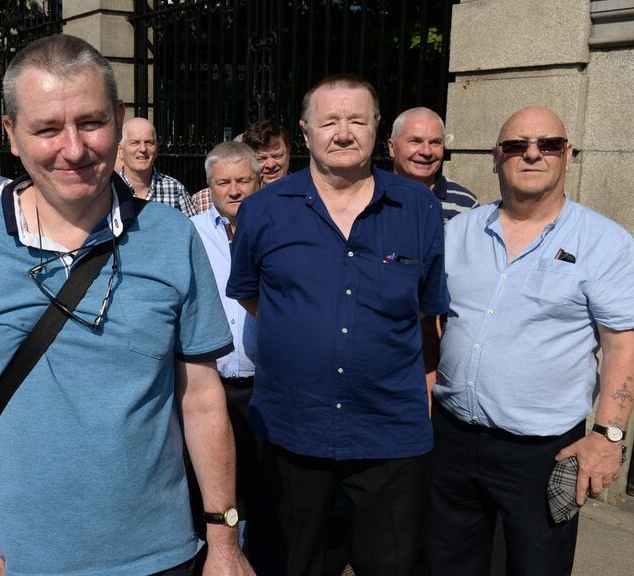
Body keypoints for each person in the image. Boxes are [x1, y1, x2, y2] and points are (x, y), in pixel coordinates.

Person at [0, 34, 253, 576]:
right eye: (46, 128)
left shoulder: (170, 236)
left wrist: (225, 539)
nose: (72, 149)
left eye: (90, 123)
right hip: (7, 559)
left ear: (118, 120)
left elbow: (202, 399)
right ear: (12, 136)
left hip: (158, 556)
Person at [226, 74, 448, 576]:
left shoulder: (418, 208)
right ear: (306, 133)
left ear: (376, 130)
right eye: (329, 121)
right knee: (292, 562)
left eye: (356, 120)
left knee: (389, 563)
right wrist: (303, 328)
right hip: (291, 427)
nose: (343, 133)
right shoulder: (262, 210)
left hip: (389, 428)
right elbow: (249, 293)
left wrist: (427, 391)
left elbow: (427, 309)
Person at [426, 107, 634, 576]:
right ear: (494, 157)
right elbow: (432, 319)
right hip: (452, 438)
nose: (531, 154)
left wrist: (608, 436)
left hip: (544, 452)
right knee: (446, 563)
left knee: (538, 566)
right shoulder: (460, 231)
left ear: (568, 155)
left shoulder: (605, 242)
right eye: (515, 145)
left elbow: (623, 346)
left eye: (547, 145)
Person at [190, 141, 262, 559]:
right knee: (213, 486)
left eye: (242, 181)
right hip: (209, 386)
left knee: (262, 484)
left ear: (258, 181)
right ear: (210, 186)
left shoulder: (278, 230)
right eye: (224, 182)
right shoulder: (192, 232)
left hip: (264, 382)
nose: (234, 190)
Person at [388, 106, 478, 222]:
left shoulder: (465, 204)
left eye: (435, 143)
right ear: (392, 147)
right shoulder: (370, 195)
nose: (426, 152)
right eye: (415, 141)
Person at [194, 120, 292, 211]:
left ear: (288, 152)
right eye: (261, 159)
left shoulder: (304, 192)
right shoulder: (205, 200)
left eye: (277, 156)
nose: (270, 165)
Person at [119, 116, 198, 216]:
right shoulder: (109, 191)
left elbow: (192, 230)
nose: (143, 149)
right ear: (120, 150)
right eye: (135, 143)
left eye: (149, 143)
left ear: (156, 150)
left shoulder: (175, 190)